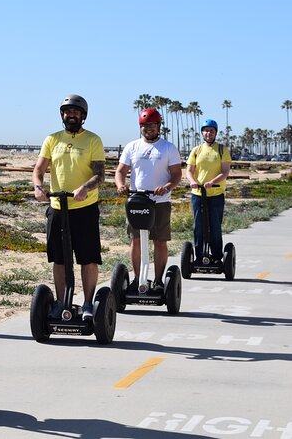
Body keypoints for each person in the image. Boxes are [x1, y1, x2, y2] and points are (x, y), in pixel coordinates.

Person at [32, 94, 106, 320]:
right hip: (57, 206)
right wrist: (38, 187)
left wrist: (85, 187)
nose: (70, 115)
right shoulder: (52, 139)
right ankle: (62, 301)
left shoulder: (93, 140)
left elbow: (100, 175)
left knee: (88, 257)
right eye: (67, 111)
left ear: (83, 115)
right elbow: (39, 169)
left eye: (75, 111)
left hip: (84, 207)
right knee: (59, 258)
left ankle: (87, 304)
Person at [115, 108, 182, 292]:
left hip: (160, 202)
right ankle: (137, 280)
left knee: (159, 241)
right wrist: (120, 185)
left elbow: (177, 175)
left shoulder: (168, 148)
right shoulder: (132, 147)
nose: (148, 129)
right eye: (144, 126)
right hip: (137, 201)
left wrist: (167, 187)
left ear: (158, 126)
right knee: (136, 241)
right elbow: (120, 171)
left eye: (152, 125)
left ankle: (159, 281)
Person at [186, 118, 232, 265]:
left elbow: (225, 171)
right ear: (202, 133)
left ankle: (217, 257)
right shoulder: (197, 150)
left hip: (216, 194)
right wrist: (192, 181)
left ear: (215, 133)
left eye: (211, 131)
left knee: (215, 226)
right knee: (198, 226)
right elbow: (189, 170)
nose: (208, 133)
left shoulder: (221, 149)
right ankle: (200, 256)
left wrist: (212, 182)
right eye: (206, 131)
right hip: (198, 195)